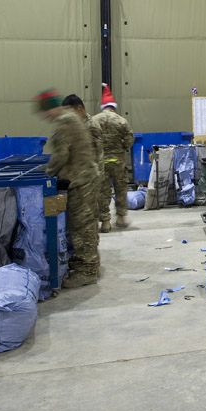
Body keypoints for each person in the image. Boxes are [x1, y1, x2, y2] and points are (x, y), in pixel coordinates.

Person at [36, 89, 100, 289]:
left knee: (81, 227)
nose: (45, 117)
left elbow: (61, 154)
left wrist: (48, 173)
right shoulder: (71, 117)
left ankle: (87, 271)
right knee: (86, 224)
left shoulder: (63, 121)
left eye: (45, 112)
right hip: (85, 177)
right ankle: (89, 265)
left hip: (80, 181)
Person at [93, 84, 134, 233]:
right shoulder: (121, 121)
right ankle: (121, 217)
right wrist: (122, 147)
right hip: (117, 161)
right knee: (121, 189)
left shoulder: (94, 120)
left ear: (102, 106)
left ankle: (105, 222)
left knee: (103, 191)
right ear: (113, 106)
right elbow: (130, 139)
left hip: (101, 162)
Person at [63, 94, 103, 174]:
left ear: (79, 108)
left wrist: (99, 175)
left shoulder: (92, 125)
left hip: (89, 174)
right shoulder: (74, 125)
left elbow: (99, 153)